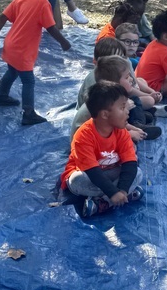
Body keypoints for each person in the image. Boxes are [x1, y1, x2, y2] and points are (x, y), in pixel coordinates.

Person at [0, 0, 71, 125]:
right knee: (28, 81)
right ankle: (28, 113)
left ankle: (1, 96)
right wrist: (64, 42)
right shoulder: (43, 3)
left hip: (11, 44)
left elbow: (3, 16)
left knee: (11, 72)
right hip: (22, 50)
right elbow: (51, 28)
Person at [62, 82, 145, 218]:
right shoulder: (83, 135)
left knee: (137, 173)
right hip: (88, 174)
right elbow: (92, 171)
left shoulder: (121, 132)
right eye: (122, 107)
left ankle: (102, 203)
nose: (127, 111)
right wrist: (113, 192)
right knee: (76, 181)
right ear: (105, 115)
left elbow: (130, 162)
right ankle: (123, 197)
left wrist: (122, 191)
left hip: (111, 173)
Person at [70, 56, 160, 142]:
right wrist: (129, 134)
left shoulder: (111, 97)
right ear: (113, 83)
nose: (131, 80)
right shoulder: (106, 103)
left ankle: (139, 122)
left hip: (102, 132)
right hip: (86, 143)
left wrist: (135, 129)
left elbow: (117, 122)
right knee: (130, 145)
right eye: (126, 77)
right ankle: (139, 121)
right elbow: (109, 127)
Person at [115, 23, 167, 116]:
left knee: (141, 80)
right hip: (121, 97)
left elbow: (134, 80)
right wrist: (148, 95)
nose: (131, 45)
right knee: (149, 100)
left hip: (130, 89)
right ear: (117, 41)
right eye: (127, 41)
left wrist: (151, 91)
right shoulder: (119, 62)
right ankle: (149, 110)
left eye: (135, 42)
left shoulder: (127, 59)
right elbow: (129, 90)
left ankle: (149, 108)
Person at [136, 10, 167, 99]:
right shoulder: (166, 53)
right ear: (165, 36)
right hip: (151, 87)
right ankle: (163, 93)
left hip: (139, 83)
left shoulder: (152, 43)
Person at [77, 37, 127, 107]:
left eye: (121, 58)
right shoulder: (94, 80)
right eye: (112, 60)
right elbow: (95, 108)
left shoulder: (116, 72)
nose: (118, 63)